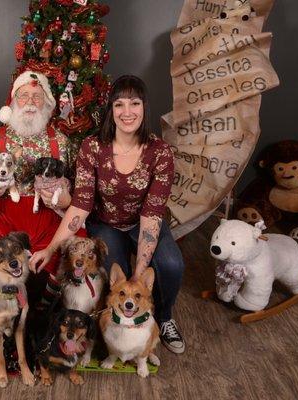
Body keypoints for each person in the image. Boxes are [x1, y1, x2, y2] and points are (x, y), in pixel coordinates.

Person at [30, 75, 186, 354]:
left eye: (134, 104)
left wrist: (139, 278)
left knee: (172, 265)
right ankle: (112, 325)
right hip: (106, 225)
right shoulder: (92, 147)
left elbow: (151, 216)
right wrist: (51, 248)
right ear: (111, 110)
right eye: (119, 104)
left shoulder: (159, 152)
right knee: (114, 278)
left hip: (144, 225)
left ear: (144, 107)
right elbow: (80, 206)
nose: (127, 112)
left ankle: (163, 317)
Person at [0, 70, 85, 304]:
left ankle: (49, 304)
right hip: (1, 214)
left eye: (37, 97)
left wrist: (67, 199)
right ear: (13, 101)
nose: (30, 103)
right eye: (24, 96)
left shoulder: (63, 142)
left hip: (47, 216)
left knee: (79, 247)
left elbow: (81, 193)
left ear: (47, 103)